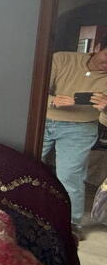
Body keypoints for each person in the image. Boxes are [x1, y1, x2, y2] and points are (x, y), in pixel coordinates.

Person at [43, 41, 107, 234]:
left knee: (70, 176)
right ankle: (21, 210)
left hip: (81, 127)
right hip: (42, 121)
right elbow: (35, 87)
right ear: (97, 48)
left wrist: (105, 108)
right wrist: (53, 100)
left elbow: (105, 121)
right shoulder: (62, 59)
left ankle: (71, 225)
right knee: (25, 166)